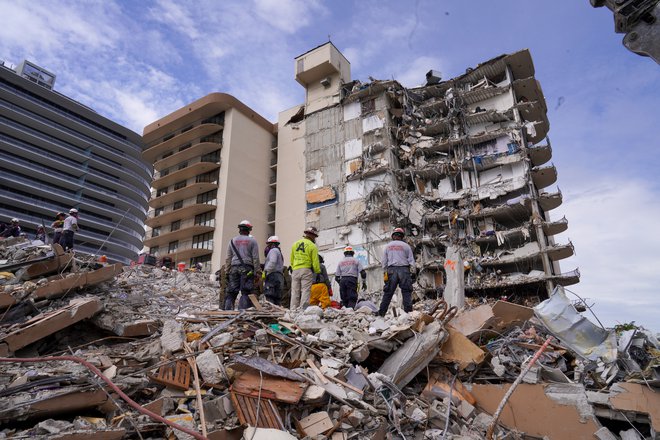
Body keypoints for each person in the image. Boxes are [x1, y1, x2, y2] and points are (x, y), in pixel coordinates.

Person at [378, 227, 415, 316]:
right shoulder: (406, 246)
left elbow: (384, 262)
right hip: (404, 270)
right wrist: (413, 273)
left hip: (391, 271)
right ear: (402, 236)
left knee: (388, 293)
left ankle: (381, 313)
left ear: (393, 236)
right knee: (406, 292)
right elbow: (411, 261)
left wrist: (385, 273)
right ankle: (409, 314)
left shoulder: (388, 246)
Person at [224, 220, 261, 310]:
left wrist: (227, 271)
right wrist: (257, 272)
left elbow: (228, 258)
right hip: (247, 269)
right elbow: (255, 258)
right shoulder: (252, 241)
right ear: (249, 230)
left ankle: (227, 313)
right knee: (246, 292)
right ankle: (242, 314)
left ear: (239, 229)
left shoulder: (232, 241)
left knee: (231, 292)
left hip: (233, 268)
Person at [289, 226, 321, 309]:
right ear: (313, 236)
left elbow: (292, 259)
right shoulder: (312, 246)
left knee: (295, 292)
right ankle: (302, 310)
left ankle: (293, 310)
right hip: (306, 270)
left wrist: (294, 267)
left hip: (295, 270)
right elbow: (315, 262)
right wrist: (317, 272)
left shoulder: (295, 244)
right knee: (305, 291)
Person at [263, 235, 284, 305]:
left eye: (268, 244)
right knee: (277, 297)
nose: (267, 246)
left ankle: (270, 312)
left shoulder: (273, 251)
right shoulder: (278, 252)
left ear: (272, 244)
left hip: (272, 275)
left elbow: (272, 262)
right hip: (279, 276)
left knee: (270, 295)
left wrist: (266, 271)